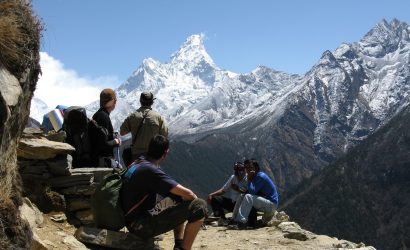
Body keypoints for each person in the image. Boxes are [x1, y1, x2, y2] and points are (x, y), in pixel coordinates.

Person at [120, 135, 207, 250]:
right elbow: (190, 195)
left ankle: (178, 244)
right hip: (141, 226)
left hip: (132, 221)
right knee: (199, 205)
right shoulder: (151, 171)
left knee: (179, 198)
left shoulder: (137, 163)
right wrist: (197, 208)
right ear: (165, 153)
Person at [120, 91, 168, 164]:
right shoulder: (158, 117)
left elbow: (122, 132)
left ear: (140, 101)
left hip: (136, 157)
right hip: (152, 157)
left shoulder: (132, 116)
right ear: (152, 102)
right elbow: (164, 135)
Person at [232, 159, 279, 228]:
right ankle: (234, 219)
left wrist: (249, 178)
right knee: (242, 196)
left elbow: (252, 192)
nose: (248, 170)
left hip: (271, 205)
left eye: (250, 167)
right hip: (266, 203)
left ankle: (241, 221)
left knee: (248, 197)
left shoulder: (260, 176)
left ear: (256, 168)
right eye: (246, 168)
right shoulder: (255, 177)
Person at [89, 88, 121, 167]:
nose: (116, 102)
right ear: (111, 101)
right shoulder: (103, 117)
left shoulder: (98, 115)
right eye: (114, 100)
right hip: (103, 162)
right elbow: (103, 144)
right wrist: (116, 141)